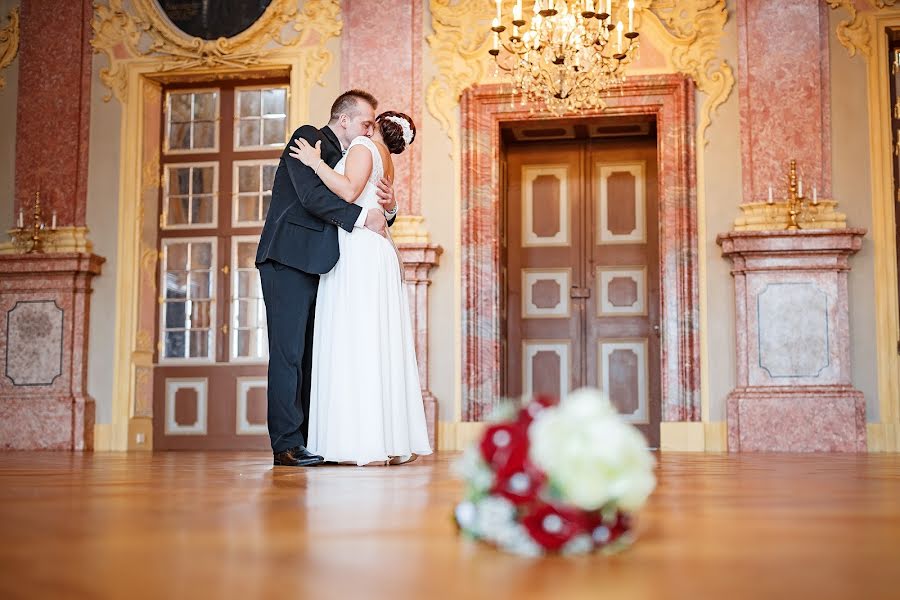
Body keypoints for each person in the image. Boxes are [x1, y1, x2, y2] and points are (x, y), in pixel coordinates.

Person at [255, 90, 397, 467]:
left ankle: (312, 440)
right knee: (288, 354)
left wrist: (388, 208)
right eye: (366, 122)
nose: (370, 129)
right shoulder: (308, 138)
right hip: (287, 259)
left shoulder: (356, 157)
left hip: (325, 266)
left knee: (313, 355)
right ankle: (286, 444)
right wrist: (359, 217)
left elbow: (364, 200)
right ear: (344, 119)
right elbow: (310, 197)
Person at [288, 110, 433, 466]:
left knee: (352, 341)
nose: (363, 127)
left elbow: (349, 191)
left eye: (369, 122)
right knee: (374, 342)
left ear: (374, 127)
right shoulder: (387, 162)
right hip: (374, 249)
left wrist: (315, 163)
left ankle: (354, 440)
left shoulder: (364, 146)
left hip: (357, 250)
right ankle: (383, 438)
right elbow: (377, 204)